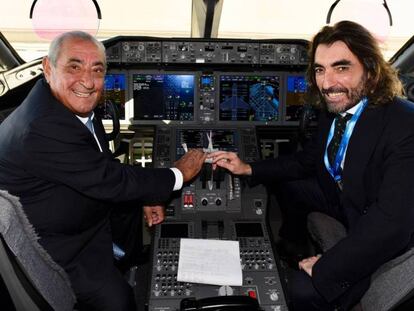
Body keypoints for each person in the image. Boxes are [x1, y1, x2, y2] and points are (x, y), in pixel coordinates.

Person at [209, 20, 414, 310]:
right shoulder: (337, 109)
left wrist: (326, 266)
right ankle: (290, 245)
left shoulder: (404, 124)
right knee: (290, 185)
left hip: (382, 236)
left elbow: (390, 226)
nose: (328, 83)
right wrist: (249, 168)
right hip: (346, 198)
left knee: (299, 292)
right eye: (320, 69)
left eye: (341, 67)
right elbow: (306, 162)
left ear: (370, 71)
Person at [0, 31, 206, 311]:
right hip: (60, 248)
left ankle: (131, 261)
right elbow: (110, 180)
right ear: (48, 69)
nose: (87, 81)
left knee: (131, 207)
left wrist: (147, 196)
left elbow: (100, 166)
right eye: (74, 66)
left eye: (96, 70)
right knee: (119, 300)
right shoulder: (42, 127)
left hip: (68, 209)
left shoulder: (67, 106)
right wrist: (178, 174)